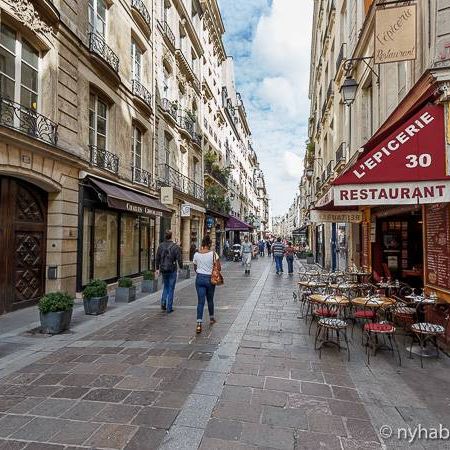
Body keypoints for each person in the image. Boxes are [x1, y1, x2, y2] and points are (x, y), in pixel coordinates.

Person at [193, 235, 217, 334]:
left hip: (199, 278)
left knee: (200, 302)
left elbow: (195, 267)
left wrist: (200, 271)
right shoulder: (213, 254)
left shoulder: (196, 254)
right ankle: (211, 318)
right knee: (210, 299)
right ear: (210, 244)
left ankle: (199, 324)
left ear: (202, 244)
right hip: (210, 279)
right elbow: (218, 267)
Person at [155, 230, 182, 313]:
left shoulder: (160, 246)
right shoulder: (175, 247)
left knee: (166, 286)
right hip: (172, 269)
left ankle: (163, 303)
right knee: (171, 288)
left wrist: (157, 268)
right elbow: (179, 259)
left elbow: (157, 258)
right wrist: (181, 267)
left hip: (163, 269)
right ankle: (169, 308)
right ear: (171, 236)